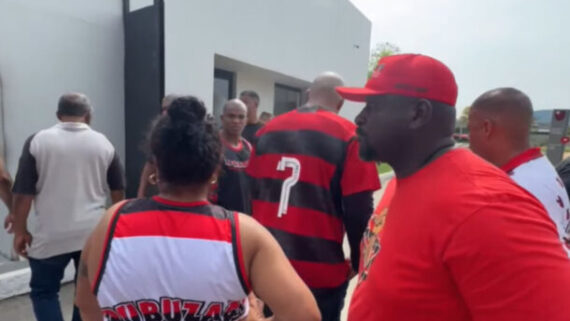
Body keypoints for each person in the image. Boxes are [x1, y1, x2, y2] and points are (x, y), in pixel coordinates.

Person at [336, 53, 570, 321]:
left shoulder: (487, 208)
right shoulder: (407, 178)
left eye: (372, 107)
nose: (359, 119)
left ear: (418, 113)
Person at [74, 96, 320, 321]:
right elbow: (304, 315)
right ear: (215, 171)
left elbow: (86, 305)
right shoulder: (243, 234)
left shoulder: (112, 222)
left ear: (156, 167)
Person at [246, 72, 380, 321]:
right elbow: (359, 211)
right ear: (341, 103)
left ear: (308, 94)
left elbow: (249, 198)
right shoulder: (349, 136)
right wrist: (360, 261)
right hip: (319, 273)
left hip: (265, 268)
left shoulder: (266, 133)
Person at [12, 93, 125, 321]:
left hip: (51, 234)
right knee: (84, 292)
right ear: (88, 115)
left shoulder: (38, 141)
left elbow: (23, 194)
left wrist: (20, 231)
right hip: (91, 234)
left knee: (44, 292)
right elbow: (118, 192)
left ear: (58, 115)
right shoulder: (104, 143)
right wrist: (116, 230)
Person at [469, 87, 570, 254]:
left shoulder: (514, 189)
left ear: (487, 128)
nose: (470, 140)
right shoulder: (539, 167)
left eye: (471, 128)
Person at [209, 99, 253, 214]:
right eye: (231, 116)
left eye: (241, 117)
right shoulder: (212, 146)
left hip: (244, 217)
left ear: (246, 120)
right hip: (219, 216)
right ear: (222, 118)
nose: (236, 121)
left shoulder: (249, 148)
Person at [136, 94, 178, 198]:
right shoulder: (160, 133)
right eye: (163, 108)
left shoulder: (189, 134)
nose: (165, 112)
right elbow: (150, 164)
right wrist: (140, 194)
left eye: (168, 109)